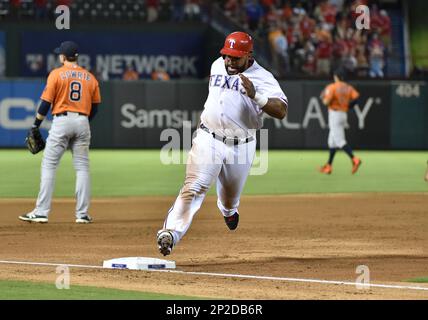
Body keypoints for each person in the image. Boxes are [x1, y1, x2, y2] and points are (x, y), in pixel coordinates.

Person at [156, 31, 288, 256]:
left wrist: (257, 97)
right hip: (209, 138)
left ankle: (228, 210)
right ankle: (170, 233)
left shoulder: (263, 77)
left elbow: (282, 110)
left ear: (249, 55)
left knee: (229, 198)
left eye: (235, 57)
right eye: (227, 55)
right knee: (194, 188)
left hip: (241, 145)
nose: (229, 60)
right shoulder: (218, 64)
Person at [19, 41, 101, 224]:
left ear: (63, 57)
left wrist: (35, 125)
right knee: (82, 167)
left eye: (60, 54)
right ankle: (82, 215)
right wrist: (83, 122)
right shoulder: (90, 77)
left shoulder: (56, 74)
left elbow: (45, 104)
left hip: (62, 120)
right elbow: (95, 107)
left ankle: (41, 211)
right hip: (82, 121)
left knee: (49, 165)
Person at [319, 71, 361, 175]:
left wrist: (323, 97)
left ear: (336, 77)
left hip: (335, 114)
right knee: (332, 141)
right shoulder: (348, 87)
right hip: (343, 114)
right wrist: (349, 106)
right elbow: (356, 97)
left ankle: (354, 159)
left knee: (339, 141)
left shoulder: (332, 87)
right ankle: (329, 166)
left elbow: (326, 102)